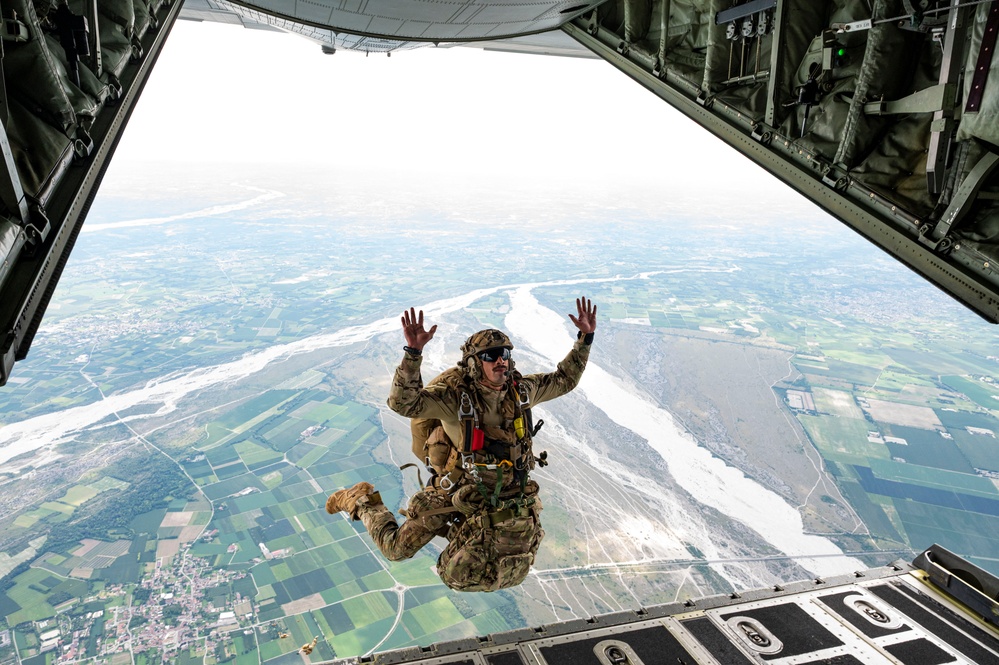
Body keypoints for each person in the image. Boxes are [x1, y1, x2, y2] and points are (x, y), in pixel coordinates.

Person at [326, 297, 596, 591]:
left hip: (506, 491)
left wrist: (585, 338)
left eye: (504, 353)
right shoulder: (455, 399)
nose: (500, 360)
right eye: (490, 355)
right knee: (396, 550)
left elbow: (564, 380)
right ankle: (362, 500)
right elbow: (403, 403)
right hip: (457, 486)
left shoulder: (522, 391)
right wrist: (413, 353)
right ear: (474, 363)